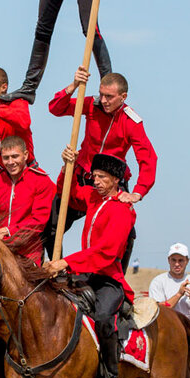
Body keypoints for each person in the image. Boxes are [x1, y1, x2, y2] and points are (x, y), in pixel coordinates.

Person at [42, 151, 134, 378]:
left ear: (116, 180)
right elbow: (68, 193)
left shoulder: (124, 211)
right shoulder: (93, 197)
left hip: (108, 279)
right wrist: (67, 167)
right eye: (94, 176)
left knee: (104, 317)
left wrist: (65, 262)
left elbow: (106, 252)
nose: (95, 181)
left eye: (101, 177)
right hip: (84, 274)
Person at [45, 65, 156, 266]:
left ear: (123, 97)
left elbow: (148, 159)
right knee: (50, 224)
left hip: (112, 183)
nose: (103, 100)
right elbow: (55, 108)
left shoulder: (132, 122)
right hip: (81, 178)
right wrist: (74, 85)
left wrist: (138, 193)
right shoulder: (90, 105)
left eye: (109, 97)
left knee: (126, 233)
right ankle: (57, 273)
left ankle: (117, 284)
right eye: (101, 94)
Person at [0, 134, 54, 264]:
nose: (10, 162)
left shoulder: (41, 181)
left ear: (25, 155)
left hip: (27, 253)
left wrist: (8, 231)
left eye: (15, 156)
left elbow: (38, 221)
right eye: (6, 158)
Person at [148, 243, 190, 332]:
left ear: (187, 261)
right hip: (165, 337)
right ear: (168, 260)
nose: (177, 264)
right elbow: (157, 312)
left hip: (189, 339)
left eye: (181, 260)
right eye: (173, 260)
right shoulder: (158, 282)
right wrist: (179, 294)